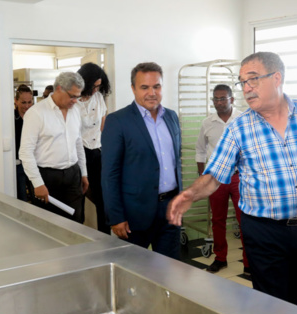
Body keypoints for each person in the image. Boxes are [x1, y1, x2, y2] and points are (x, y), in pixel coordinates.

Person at [168, 52, 297, 305]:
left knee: (292, 296)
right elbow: (214, 176)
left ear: (277, 78)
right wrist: (189, 194)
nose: (246, 88)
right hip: (262, 230)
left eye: (253, 79)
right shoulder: (239, 127)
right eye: (242, 82)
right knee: (272, 302)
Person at [101, 62, 182, 259]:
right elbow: (110, 174)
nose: (151, 93)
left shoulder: (171, 117)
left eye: (156, 86)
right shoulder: (117, 121)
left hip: (170, 209)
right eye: (144, 87)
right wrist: (116, 216)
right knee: (133, 271)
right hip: (134, 214)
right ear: (133, 88)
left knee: (170, 269)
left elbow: (175, 162)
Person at [195, 84, 250, 275]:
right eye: (215, 99)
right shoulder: (207, 123)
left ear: (231, 99)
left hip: (239, 177)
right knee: (217, 219)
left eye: (222, 98)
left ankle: (249, 262)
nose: (219, 102)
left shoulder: (243, 119)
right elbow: (200, 150)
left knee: (245, 220)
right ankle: (220, 258)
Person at [19, 72, 89, 223]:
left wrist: (83, 173)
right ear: (59, 89)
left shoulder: (75, 111)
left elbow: (78, 143)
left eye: (78, 97)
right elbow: (25, 152)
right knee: (48, 224)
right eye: (72, 96)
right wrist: (37, 183)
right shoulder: (36, 113)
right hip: (47, 177)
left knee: (76, 221)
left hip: (73, 174)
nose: (75, 101)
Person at [77, 63, 111, 234]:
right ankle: (78, 233)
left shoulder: (98, 98)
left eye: (99, 86)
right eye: (94, 86)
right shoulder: (73, 100)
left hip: (96, 151)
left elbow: (102, 125)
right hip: (78, 153)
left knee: (102, 197)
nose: (96, 89)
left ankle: (104, 237)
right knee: (78, 197)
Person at [14, 84, 34, 201]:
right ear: (16, 101)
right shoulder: (10, 119)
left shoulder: (35, 117)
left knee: (37, 198)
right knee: (21, 198)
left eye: (29, 102)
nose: (27, 106)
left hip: (34, 163)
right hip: (18, 165)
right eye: (23, 102)